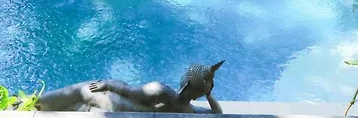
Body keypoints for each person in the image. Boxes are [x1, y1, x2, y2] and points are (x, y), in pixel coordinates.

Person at [36, 62, 224, 113]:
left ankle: (35, 103)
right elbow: (218, 113)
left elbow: (129, 92)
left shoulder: (162, 90)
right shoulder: (189, 110)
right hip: (134, 109)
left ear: (186, 82)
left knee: (83, 90)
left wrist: (107, 84)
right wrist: (208, 93)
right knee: (78, 104)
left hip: (122, 107)